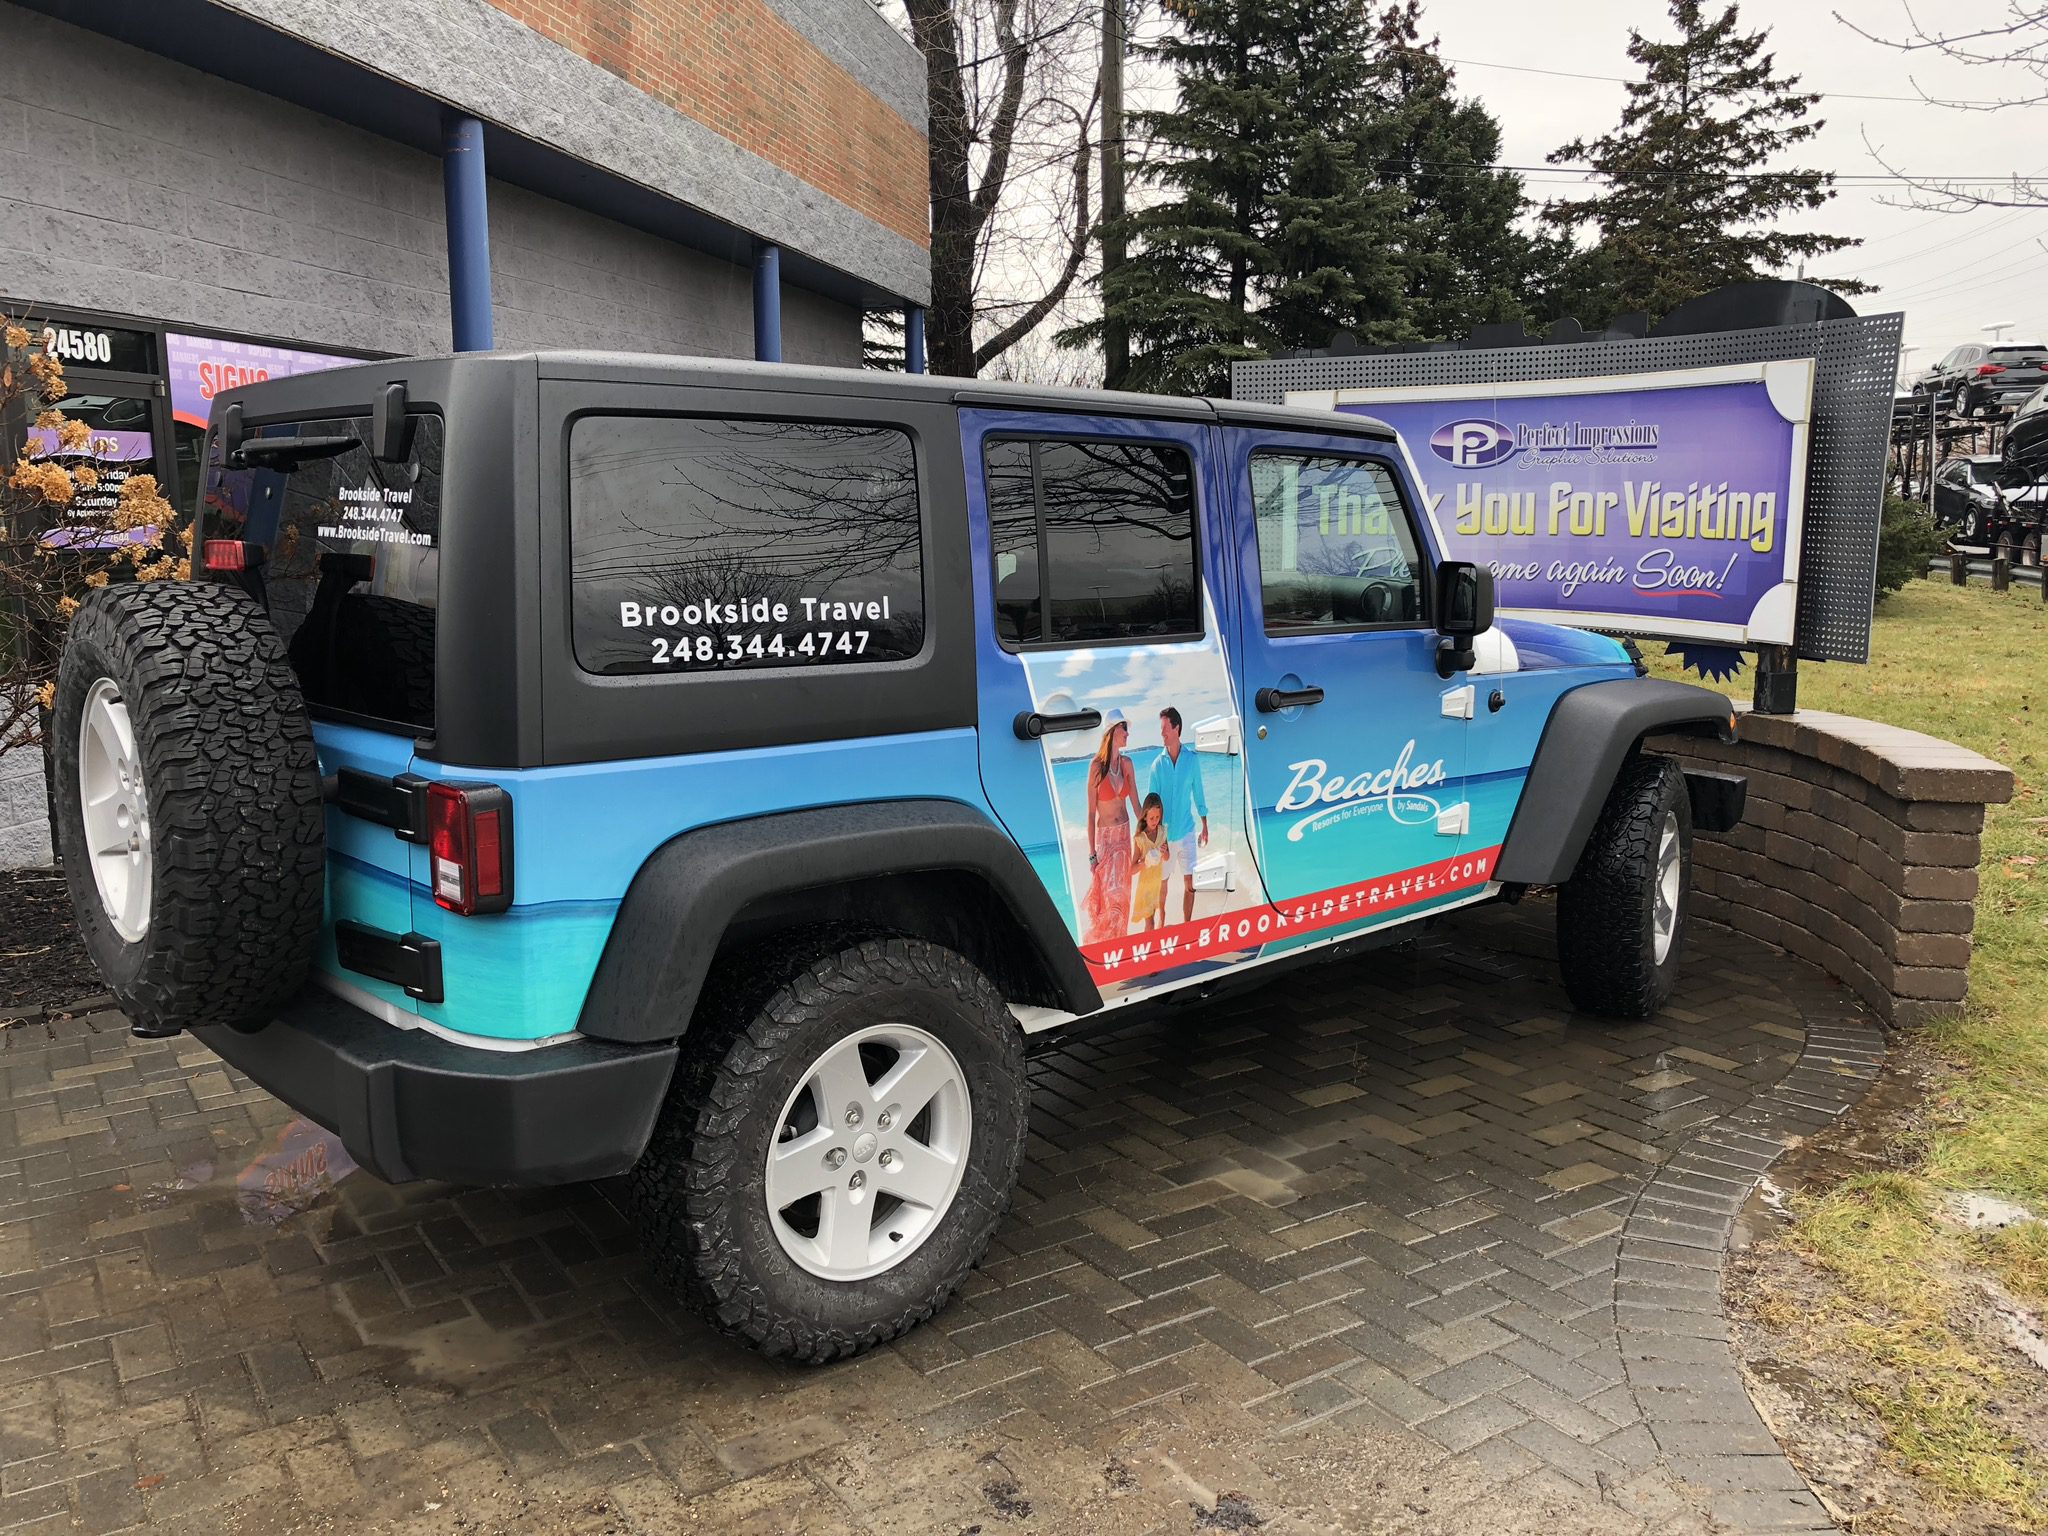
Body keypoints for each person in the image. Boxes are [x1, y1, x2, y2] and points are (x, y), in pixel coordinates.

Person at [1147, 706, 1210, 924]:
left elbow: (1199, 793)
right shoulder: (1157, 766)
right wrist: (1156, 838)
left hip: (1187, 832)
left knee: (1191, 884)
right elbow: (1151, 806)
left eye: (1165, 728)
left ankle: (1187, 926)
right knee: (1162, 884)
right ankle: (1162, 924)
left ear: (1177, 728)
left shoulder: (1191, 760)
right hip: (1165, 837)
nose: (1162, 733)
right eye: (1161, 729)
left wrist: (1205, 824)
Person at [1082, 709, 1140, 943]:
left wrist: (1153, 834)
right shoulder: (1096, 767)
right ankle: (1106, 947)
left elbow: (1137, 806)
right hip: (1106, 842)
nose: (1127, 733)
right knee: (1109, 899)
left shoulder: (1127, 764)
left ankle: (1120, 947)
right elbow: (1090, 814)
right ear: (1113, 731)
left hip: (1124, 839)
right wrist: (1091, 855)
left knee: (1122, 898)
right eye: (1124, 728)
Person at [1130, 793, 1170, 931]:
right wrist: (1145, 862)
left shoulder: (1162, 832)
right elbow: (1131, 869)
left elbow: (1167, 857)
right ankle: (1148, 944)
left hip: (1157, 884)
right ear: (1145, 817)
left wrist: (1164, 852)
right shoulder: (1140, 839)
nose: (1155, 821)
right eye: (1151, 818)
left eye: (1157, 817)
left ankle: (1150, 942)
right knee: (1150, 923)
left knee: (1155, 917)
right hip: (1146, 886)